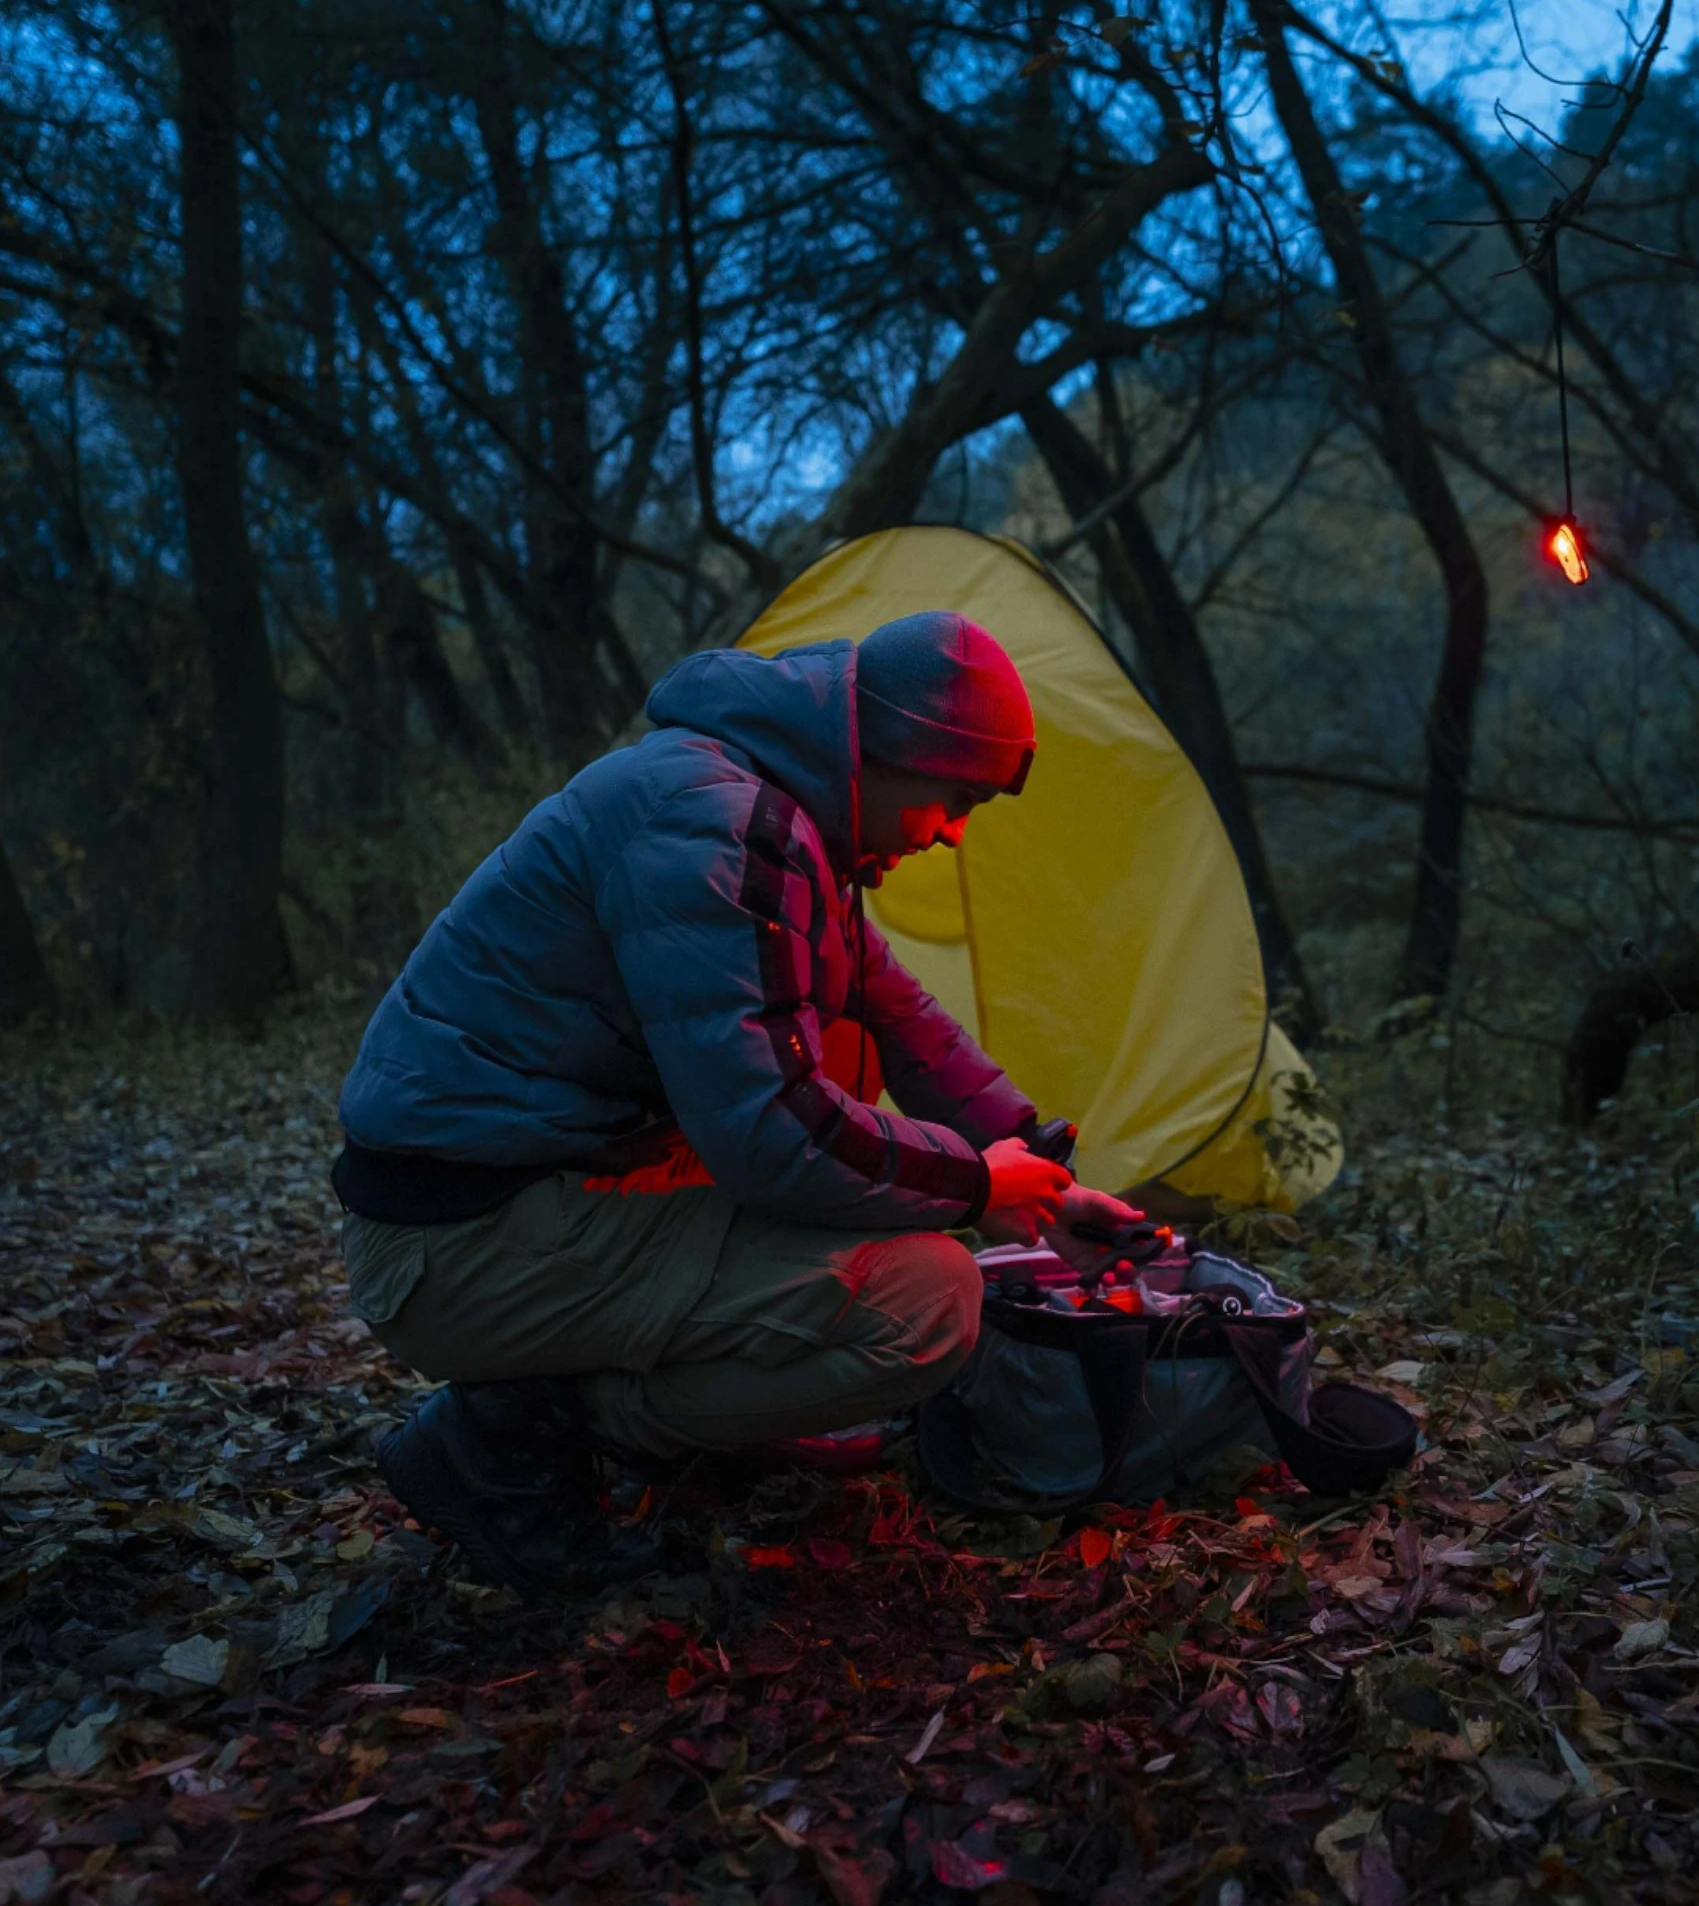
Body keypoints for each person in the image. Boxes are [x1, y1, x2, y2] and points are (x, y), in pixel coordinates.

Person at [333, 611, 1142, 1598]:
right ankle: (510, 1434)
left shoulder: (773, 808)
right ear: (888, 753)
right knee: (927, 1301)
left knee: (837, 1035)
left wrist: (1035, 1168)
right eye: (953, 798)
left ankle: (612, 1390)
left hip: (525, 1190)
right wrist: (973, 1185)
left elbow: (898, 1014)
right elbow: (772, 1131)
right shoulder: (717, 831)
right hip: (457, 1242)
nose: (952, 832)